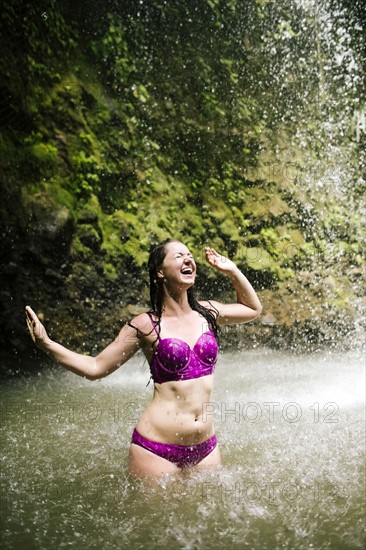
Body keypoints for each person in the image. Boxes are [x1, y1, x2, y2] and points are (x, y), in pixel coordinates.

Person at [25, 239, 262, 478]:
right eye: (179, 256)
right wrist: (47, 344)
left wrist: (232, 270)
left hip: (206, 447)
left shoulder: (207, 312)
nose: (188, 259)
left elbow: (252, 309)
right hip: (156, 449)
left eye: (190, 255)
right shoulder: (145, 325)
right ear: (160, 271)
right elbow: (96, 367)